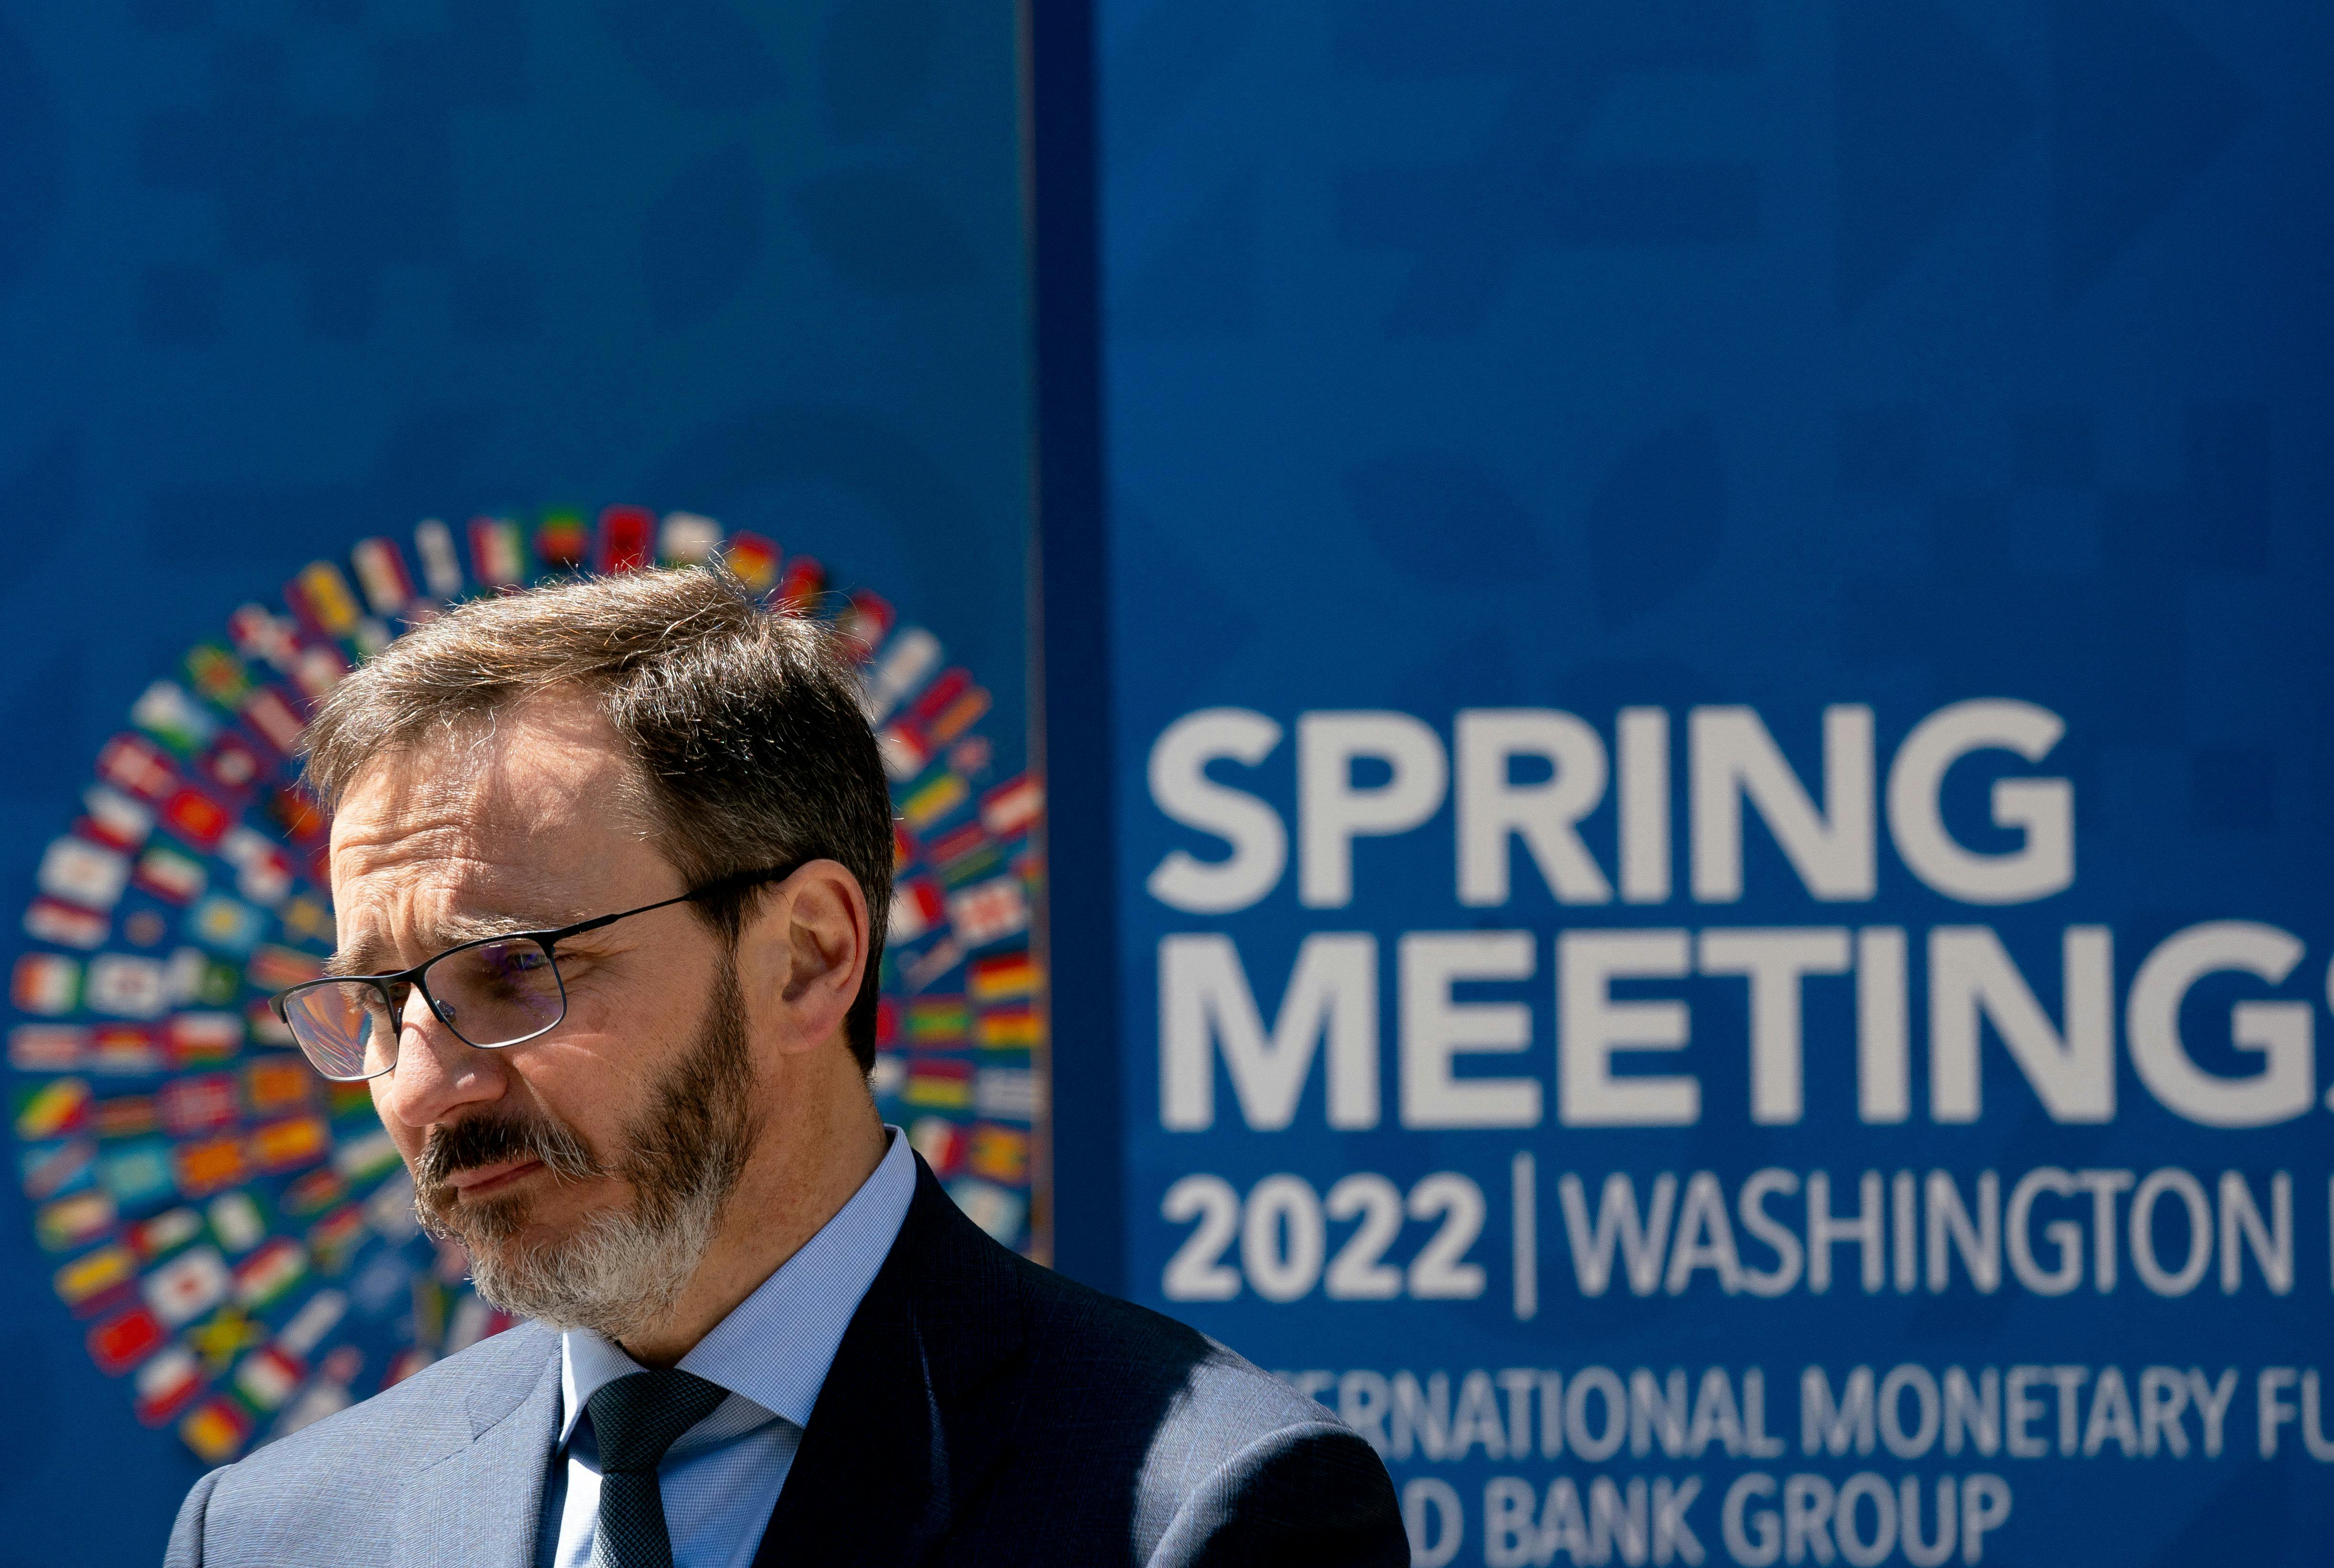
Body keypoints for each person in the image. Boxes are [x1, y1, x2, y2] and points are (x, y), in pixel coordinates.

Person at [162, 565, 1405, 1568]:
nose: (425, 1087)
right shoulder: (279, 1532)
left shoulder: (1203, 1513)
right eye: (379, 1002)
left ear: (807, 958)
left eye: (513, 972)